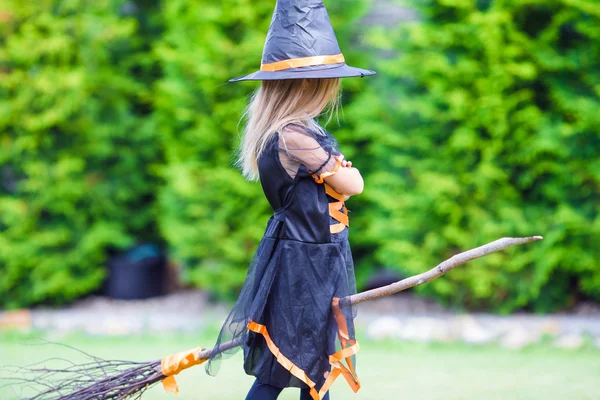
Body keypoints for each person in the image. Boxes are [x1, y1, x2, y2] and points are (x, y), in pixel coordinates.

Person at [206, 1, 375, 399]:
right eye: (324, 82)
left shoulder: (297, 133)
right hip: (304, 266)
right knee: (283, 368)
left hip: (315, 258)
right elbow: (354, 183)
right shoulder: (293, 137)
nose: (330, 89)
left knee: (313, 368)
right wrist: (340, 171)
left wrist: (335, 172)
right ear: (303, 86)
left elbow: (343, 182)